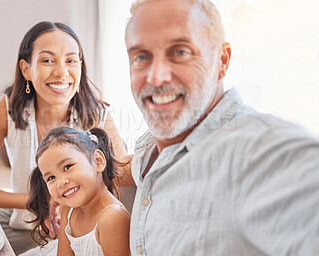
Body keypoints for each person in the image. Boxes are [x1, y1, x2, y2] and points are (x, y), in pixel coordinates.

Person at [124, 0, 319, 255]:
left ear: (222, 61)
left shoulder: (265, 151)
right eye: (141, 56)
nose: (156, 76)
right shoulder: (148, 149)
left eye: (180, 52)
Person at [0, 21, 127, 255]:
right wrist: (39, 200)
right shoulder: (8, 109)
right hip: (23, 224)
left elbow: (120, 174)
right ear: (26, 69)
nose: (61, 72)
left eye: (71, 60)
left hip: (77, 229)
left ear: (81, 65)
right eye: (47, 60)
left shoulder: (97, 115)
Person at [26, 127, 130, 256]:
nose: (60, 182)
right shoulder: (69, 210)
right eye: (51, 178)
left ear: (98, 161)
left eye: (67, 167)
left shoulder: (113, 217)